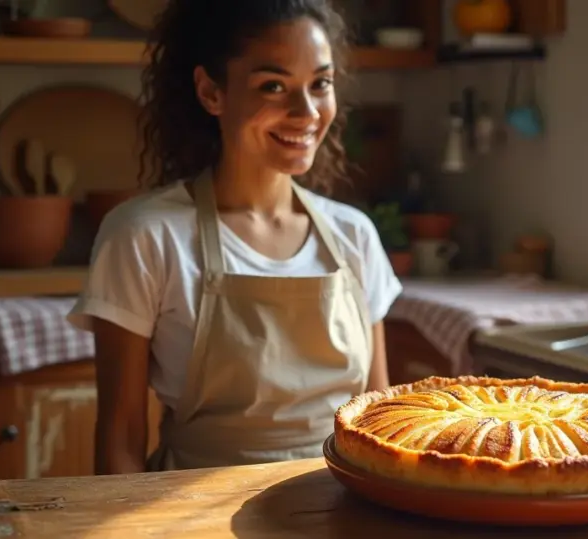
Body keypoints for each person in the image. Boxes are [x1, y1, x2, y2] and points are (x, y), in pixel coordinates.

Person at [66, 0, 403, 475]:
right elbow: (121, 435)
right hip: (194, 509)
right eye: (273, 86)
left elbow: (377, 420)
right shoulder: (145, 235)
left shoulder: (354, 235)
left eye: (320, 84)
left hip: (339, 506)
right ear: (211, 92)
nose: (305, 112)